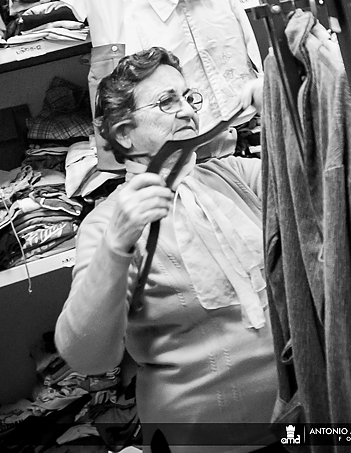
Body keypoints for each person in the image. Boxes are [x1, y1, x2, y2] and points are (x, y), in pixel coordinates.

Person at [55, 47, 276, 453]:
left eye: (189, 98)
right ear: (125, 133)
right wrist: (116, 245)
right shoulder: (108, 223)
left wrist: (285, 109)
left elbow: (331, 187)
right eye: (167, 102)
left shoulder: (238, 175)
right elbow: (86, 356)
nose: (188, 111)